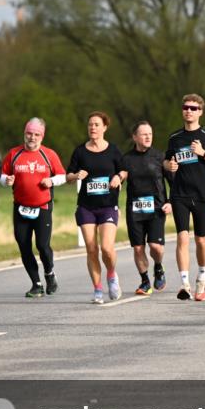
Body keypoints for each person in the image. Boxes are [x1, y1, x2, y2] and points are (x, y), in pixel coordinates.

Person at [164, 94, 205, 302]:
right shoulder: (174, 138)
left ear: (200, 112)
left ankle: (202, 277)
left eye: (193, 108)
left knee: (201, 239)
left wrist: (203, 153)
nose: (188, 111)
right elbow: (166, 161)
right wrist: (169, 166)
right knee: (182, 237)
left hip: (203, 194)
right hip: (180, 193)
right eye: (185, 107)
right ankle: (184, 284)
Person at [0, 118, 66, 298]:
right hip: (20, 207)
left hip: (42, 207)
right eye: (29, 133)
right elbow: (2, 175)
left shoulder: (49, 154)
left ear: (42, 136)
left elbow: (62, 176)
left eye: (36, 134)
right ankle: (36, 284)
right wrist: (6, 181)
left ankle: (49, 274)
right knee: (24, 245)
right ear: (24, 133)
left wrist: (51, 181)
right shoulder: (14, 154)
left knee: (43, 246)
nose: (32, 137)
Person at [66, 111, 124, 304]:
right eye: (90, 124)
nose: (93, 128)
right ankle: (98, 289)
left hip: (108, 205)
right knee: (91, 249)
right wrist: (76, 176)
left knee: (107, 248)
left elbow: (123, 170)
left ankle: (112, 275)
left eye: (97, 124)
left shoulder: (113, 150)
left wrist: (118, 177)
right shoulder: (80, 151)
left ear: (105, 127)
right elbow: (68, 176)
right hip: (86, 207)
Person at [120, 121, 170, 295]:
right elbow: (119, 179)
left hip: (156, 208)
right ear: (135, 137)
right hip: (135, 209)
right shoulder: (126, 159)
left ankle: (158, 267)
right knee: (138, 248)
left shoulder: (159, 157)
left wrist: (169, 202)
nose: (148, 137)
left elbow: (172, 180)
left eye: (150, 133)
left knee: (155, 247)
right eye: (144, 134)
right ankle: (145, 281)